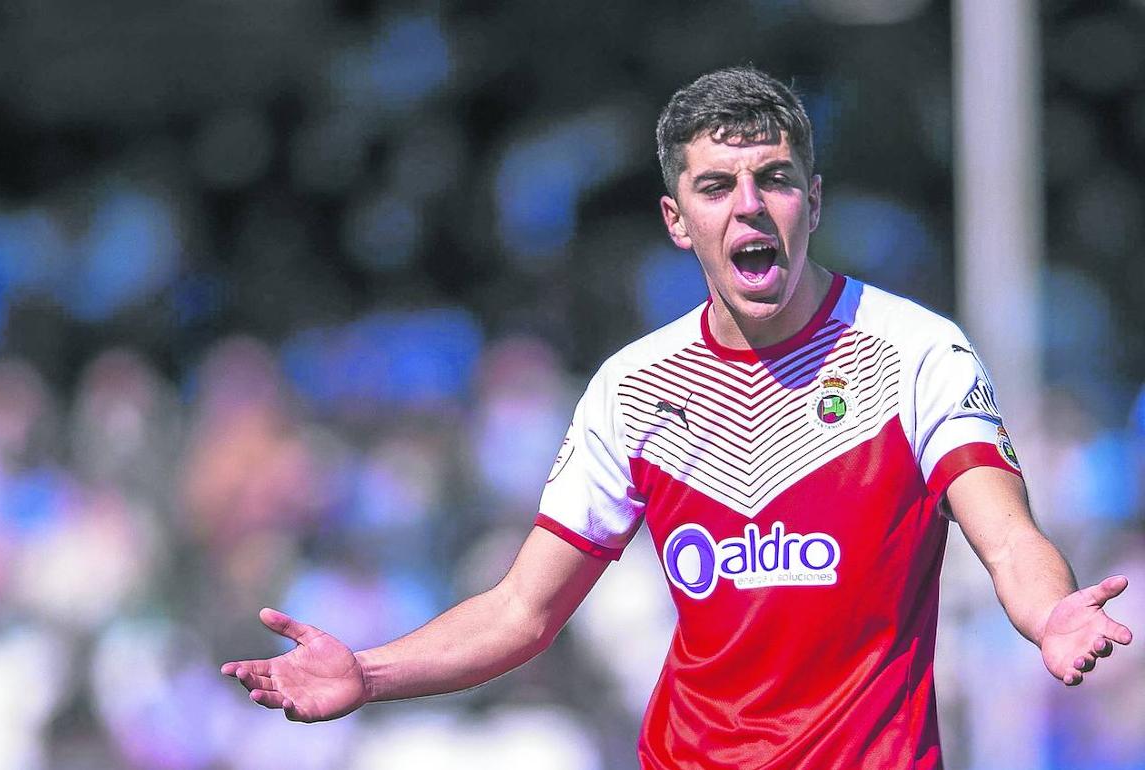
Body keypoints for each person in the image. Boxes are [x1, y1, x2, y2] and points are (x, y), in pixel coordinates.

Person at [221, 66, 1134, 769]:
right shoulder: (634, 387)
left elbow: (1007, 537)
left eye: (775, 178)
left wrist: (1050, 612)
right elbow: (522, 610)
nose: (750, 205)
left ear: (812, 202)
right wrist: (369, 674)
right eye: (716, 185)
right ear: (675, 218)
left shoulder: (916, 352)